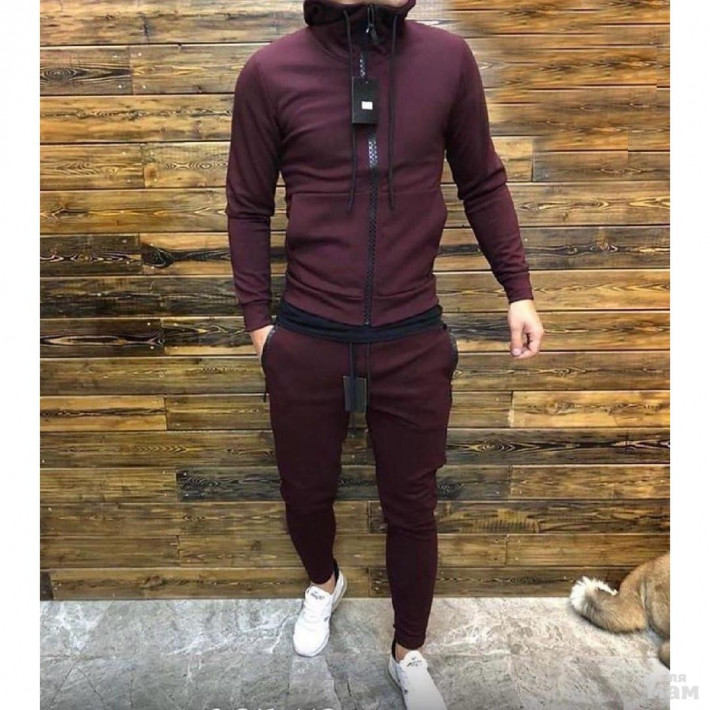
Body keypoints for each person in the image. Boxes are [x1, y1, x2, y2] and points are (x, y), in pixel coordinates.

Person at [225, 0, 545, 707]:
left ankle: (409, 649)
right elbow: (247, 204)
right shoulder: (271, 72)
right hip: (307, 335)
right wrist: (259, 326)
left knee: (413, 505)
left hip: (411, 333)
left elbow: (482, 180)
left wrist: (517, 289)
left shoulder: (446, 61)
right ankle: (323, 583)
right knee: (305, 492)